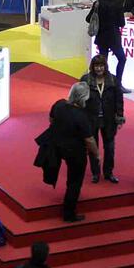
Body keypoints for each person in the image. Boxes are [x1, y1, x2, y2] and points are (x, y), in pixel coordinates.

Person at [46, 82, 97, 222]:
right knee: (74, 182)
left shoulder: (59, 104)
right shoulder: (81, 116)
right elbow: (89, 139)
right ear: (84, 97)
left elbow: (51, 120)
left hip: (57, 146)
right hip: (75, 152)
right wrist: (96, 154)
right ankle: (69, 214)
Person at [79, 55, 124, 184]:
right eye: (96, 66)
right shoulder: (85, 80)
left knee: (110, 148)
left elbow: (119, 100)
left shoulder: (113, 80)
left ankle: (108, 173)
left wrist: (119, 117)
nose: (99, 68)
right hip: (90, 119)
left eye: (101, 66)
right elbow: (79, 99)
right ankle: (95, 173)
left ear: (105, 66)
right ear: (92, 67)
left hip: (109, 120)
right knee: (93, 148)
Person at [88, 0, 130, 90]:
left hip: (101, 36)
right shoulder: (118, 4)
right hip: (113, 37)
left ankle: (100, 84)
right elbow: (121, 23)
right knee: (122, 59)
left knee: (102, 62)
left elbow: (88, 18)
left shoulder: (98, 2)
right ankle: (118, 84)